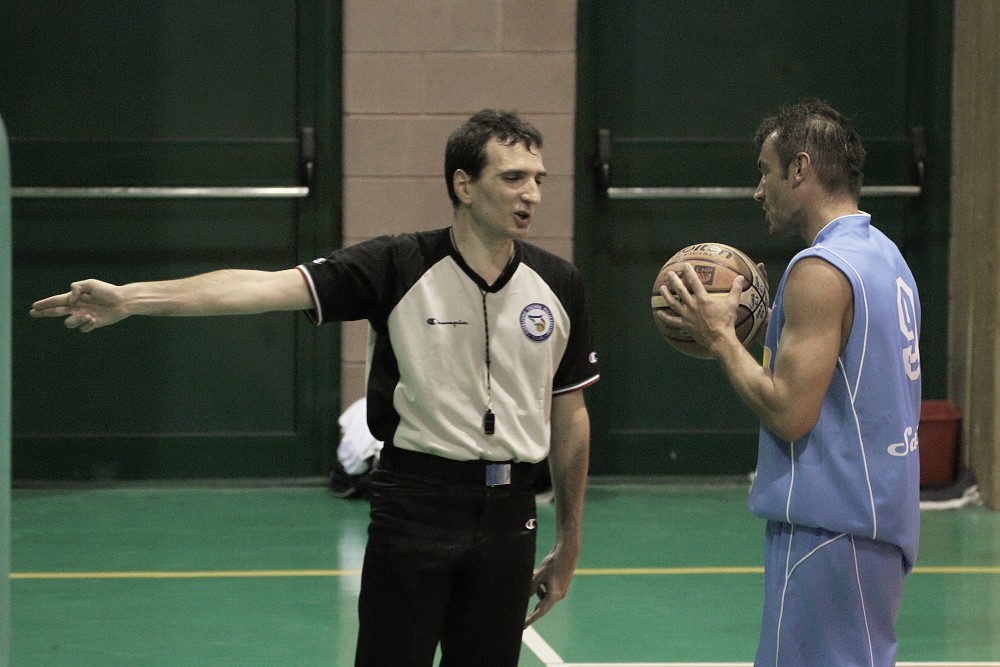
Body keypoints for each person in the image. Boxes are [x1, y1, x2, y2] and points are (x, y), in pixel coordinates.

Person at [30, 109, 601, 666]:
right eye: (513, 178)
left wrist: (569, 539)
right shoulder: (396, 265)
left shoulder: (559, 284)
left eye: (538, 179)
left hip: (510, 515)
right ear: (464, 185)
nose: (532, 194)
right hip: (416, 503)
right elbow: (256, 288)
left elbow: (569, 412)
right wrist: (131, 298)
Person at [656, 99, 921, 666]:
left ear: (800, 169)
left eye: (765, 171)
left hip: (830, 528)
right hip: (875, 520)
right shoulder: (886, 257)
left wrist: (721, 337)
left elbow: (789, 413)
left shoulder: (820, 269)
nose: (759, 190)